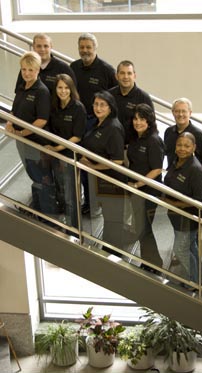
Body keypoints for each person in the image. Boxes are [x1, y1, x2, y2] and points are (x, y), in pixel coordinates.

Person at [70, 33, 118, 214]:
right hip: (79, 122)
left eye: (88, 47)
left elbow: (114, 98)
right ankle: (89, 202)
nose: (85, 51)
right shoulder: (73, 67)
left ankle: (97, 204)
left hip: (98, 124)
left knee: (94, 164)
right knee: (81, 164)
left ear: (95, 48)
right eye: (82, 47)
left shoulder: (106, 70)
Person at [6, 51, 54, 215]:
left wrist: (22, 133)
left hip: (34, 141)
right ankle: (37, 207)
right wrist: (10, 122)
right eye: (24, 69)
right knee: (32, 174)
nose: (26, 73)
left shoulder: (41, 91)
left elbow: (41, 120)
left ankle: (47, 213)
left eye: (30, 70)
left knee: (41, 177)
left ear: (38, 70)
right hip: (22, 140)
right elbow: (15, 110)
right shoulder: (22, 86)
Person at [80, 90, 126, 251]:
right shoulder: (97, 123)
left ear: (110, 107)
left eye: (102, 105)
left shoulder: (113, 128)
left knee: (114, 221)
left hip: (112, 182)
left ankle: (113, 254)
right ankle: (108, 250)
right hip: (100, 181)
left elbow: (117, 161)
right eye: (96, 104)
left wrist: (92, 166)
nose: (98, 108)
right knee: (109, 220)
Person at [164, 132, 202, 284]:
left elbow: (199, 201)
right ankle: (199, 277)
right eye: (179, 145)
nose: (182, 149)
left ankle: (195, 282)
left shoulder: (195, 169)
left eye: (186, 146)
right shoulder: (176, 161)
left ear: (194, 147)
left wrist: (174, 204)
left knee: (180, 250)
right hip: (176, 216)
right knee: (190, 247)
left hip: (188, 218)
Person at [46, 74, 86, 229]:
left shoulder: (78, 108)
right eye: (60, 88)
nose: (63, 91)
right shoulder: (53, 106)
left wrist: (56, 148)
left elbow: (77, 136)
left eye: (66, 88)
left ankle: (74, 229)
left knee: (71, 196)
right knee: (60, 190)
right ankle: (65, 224)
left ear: (71, 89)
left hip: (70, 156)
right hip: (56, 156)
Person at [127, 103, 164, 271]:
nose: (138, 122)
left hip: (148, 190)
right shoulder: (135, 138)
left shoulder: (154, 140)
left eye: (142, 119)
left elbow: (156, 169)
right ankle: (148, 261)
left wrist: (136, 184)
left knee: (144, 228)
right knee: (141, 228)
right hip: (136, 190)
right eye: (135, 119)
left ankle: (154, 263)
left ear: (149, 121)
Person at [164, 97, 202, 177]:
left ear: (190, 113)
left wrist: (200, 180)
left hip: (189, 181)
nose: (180, 114)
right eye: (177, 111)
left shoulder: (200, 135)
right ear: (172, 112)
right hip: (171, 179)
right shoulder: (168, 132)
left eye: (184, 111)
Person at [109, 60, 154, 144]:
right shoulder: (109, 95)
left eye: (129, 73)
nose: (126, 77)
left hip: (133, 148)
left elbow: (152, 126)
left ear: (134, 76)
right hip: (110, 145)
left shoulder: (144, 98)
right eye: (122, 73)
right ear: (116, 76)